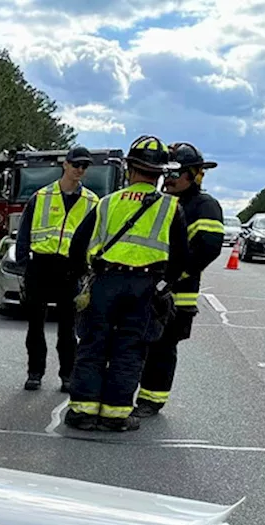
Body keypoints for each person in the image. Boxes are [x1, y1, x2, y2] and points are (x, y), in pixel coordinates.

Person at [63, 135, 190, 432]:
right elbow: (182, 258)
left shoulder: (107, 203)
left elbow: (77, 245)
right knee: (130, 349)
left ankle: (82, 411)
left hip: (105, 282)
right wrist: (163, 286)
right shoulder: (171, 208)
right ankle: (115, 415)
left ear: (129, 168)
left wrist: (84, 276)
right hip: (145, 287)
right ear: (160, 174)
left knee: (93, 345)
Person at [132, 142, 225, 419]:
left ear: (194, 175)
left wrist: (172, 277)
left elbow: (207, 248)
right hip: (149, 288)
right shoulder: (164, 202)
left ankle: (151, 400)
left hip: (176, 295)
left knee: (162, 348)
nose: (169, 179)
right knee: (140, 344)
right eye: (167, 173)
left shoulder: (204, 206)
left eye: (176, 174)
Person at [16, 147, 100, 392]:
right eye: (76, 165)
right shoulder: (42, 196)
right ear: (65, 164)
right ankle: (35, 373)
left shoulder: (91, 201)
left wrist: (87, 271)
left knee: (67, 328)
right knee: (35, 326)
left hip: (70, 268)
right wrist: (24, 266)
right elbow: (24, 233)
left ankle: (67, 375)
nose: (80, 170)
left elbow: (95, 237)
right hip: (40, 265)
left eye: (85, 166)